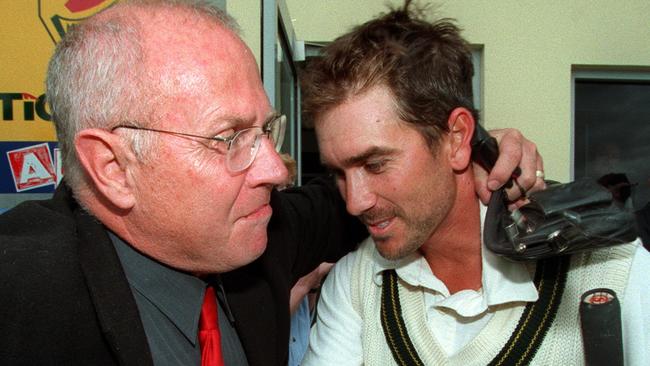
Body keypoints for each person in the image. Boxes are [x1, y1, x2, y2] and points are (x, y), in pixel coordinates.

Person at [0, 1, 540, 365]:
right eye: (229, 137)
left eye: (264, 129)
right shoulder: (24, 293)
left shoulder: (260, 233)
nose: (275, 170)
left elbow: (380, 193)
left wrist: (474, 154)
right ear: (114, 168)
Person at [300, 2, 650, 365]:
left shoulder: (611, 271)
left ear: (456, 138)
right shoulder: (355, 285)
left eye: (375, 163)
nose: (354, 202)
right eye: (338, 173)